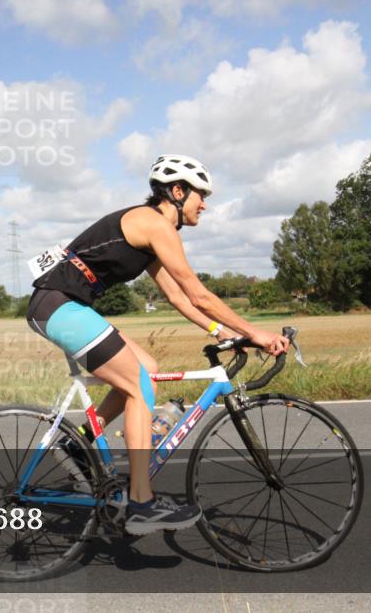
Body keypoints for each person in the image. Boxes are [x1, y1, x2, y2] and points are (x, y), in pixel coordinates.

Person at [25, 154, 290, 535]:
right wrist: (255, 333)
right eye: (202, 195)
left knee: (145, 369)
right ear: (177, 192)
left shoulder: (151, 233)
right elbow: (199, 294)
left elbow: (180, 298)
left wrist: (221, 331)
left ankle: (80, 444)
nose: (206, 204)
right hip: (58, 305)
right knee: (138, 385)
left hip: (65, 305)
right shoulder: (155, 225)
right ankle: (142, 503)